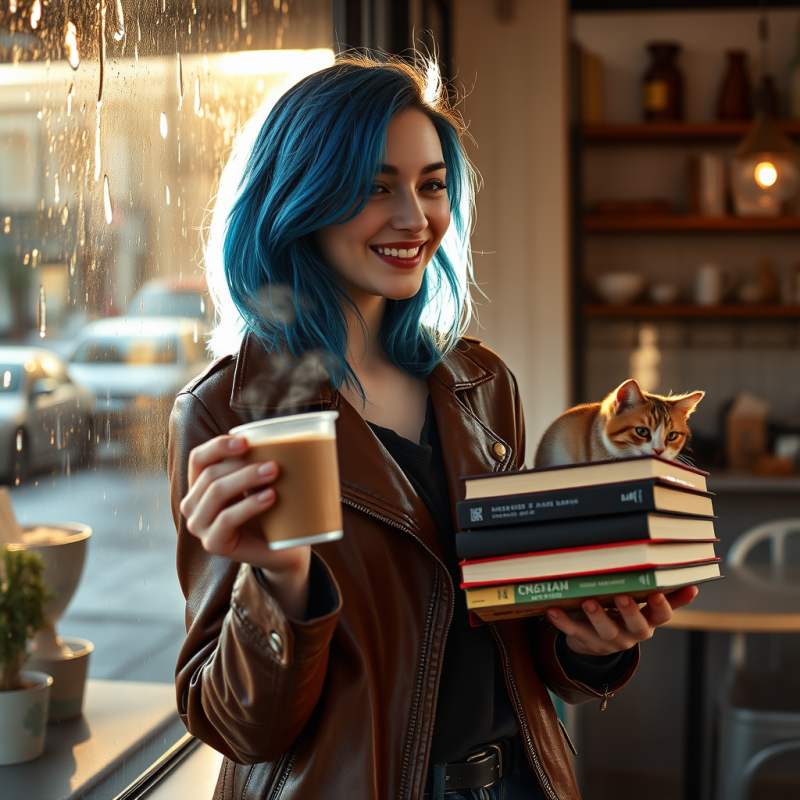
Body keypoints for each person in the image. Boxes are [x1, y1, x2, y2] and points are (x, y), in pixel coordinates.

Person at [168, 53, 697, 800]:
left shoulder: (481, 385)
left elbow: (519, 637)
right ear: (299, 196)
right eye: (375, 186)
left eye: (431, 186)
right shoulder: (232, 408)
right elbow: (242, 730)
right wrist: (282, 580)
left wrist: (590, 644)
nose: (416, 219)